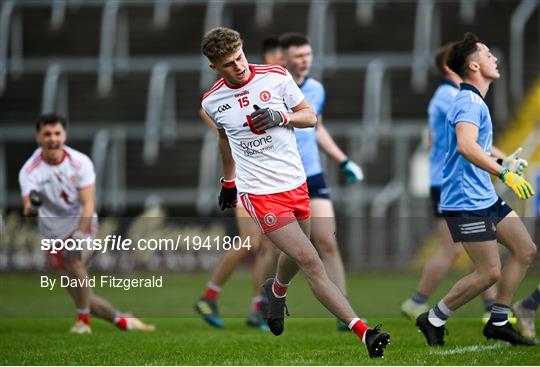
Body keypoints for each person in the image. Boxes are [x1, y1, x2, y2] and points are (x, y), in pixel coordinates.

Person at [200, 27, 390, 358]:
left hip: (297, 184)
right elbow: (223, 138)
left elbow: (310, 117)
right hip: (261, 194)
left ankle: (276, 291)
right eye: (229, 63)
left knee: (294, 258)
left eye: (241, 57)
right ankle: (363, 331)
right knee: (311, 259)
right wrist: (229, 181)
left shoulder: (276, 77)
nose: (240, 66)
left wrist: (281, 116)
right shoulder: (212, 100)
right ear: (214, 67)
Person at [415, 33, 536, 347]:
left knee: (525, 251)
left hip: (483, 195)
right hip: (465, 200)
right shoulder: (467, 101)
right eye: (486, 53)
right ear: (473, 65)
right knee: (489, 273)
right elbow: (467, 147)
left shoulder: (474, 100)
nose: (493, 58)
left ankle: (497, 321)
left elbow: (476, 148)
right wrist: (504, 175)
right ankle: (433, 317)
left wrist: (503, 163)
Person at [19, 113, 155, 334]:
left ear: (64, 135)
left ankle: (82, 323)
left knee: (74, 261)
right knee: (85, 297)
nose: (52, 139)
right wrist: (32, 209)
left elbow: (88, 204)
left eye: (57, 133)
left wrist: (79, 237)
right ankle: (124, 321)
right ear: (39, 138)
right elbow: (29, 213)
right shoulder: (29, 171)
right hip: (53, 235)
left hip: (82, 227)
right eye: (47, 134)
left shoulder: (79, 162)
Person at [401, 42, 499, 322]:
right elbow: (469, 142)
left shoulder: (456, 96)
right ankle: (418, 301)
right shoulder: (451, 95)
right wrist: (502, 166)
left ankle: (490, 308)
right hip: (450, 183)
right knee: (455, 249)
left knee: (474, 247)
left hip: (451, 181)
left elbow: (438, 139)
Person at [194, 38, 285, 331]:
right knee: (254, 244)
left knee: (265, 247)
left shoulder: (274, 84)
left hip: (270, 177)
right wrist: (229, 132)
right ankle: (214, 297)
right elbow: (208, 113)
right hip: (245, 179)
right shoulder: (227, 93)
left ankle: (252, 306)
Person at [279, 32, 364, 330]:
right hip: (282, 178)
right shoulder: (274, 87)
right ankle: (266, 299)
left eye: (308, 55)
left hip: (312, 174)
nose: (305, 61)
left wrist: (343, 160)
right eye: (299, 56)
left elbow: (318, 128)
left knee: (327, 240)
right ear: (284, 58)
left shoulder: (315, 89)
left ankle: (345, 311)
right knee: (284, 249)